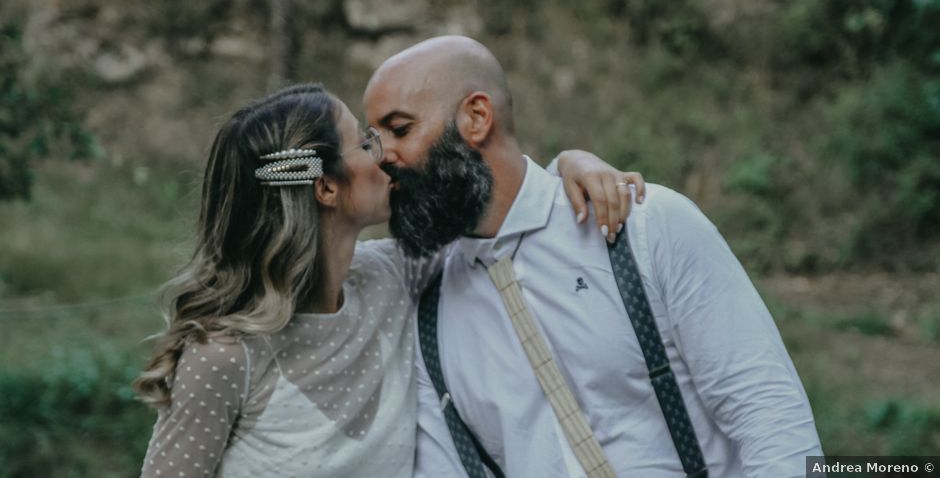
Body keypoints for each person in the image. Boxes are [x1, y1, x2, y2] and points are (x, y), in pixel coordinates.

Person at [363, 36, 824, 478]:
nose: (380, 157)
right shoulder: (427, 316)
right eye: (372, 138)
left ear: (477, 117)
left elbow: (769, 415)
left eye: (399, 129)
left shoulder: (647, 227)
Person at [133, 83, 642, 477]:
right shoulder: (223, 356)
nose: (385, 155)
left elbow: (501, 215)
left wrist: (568, 165)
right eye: (363, 143)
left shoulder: (393, 277)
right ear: (327, 187)